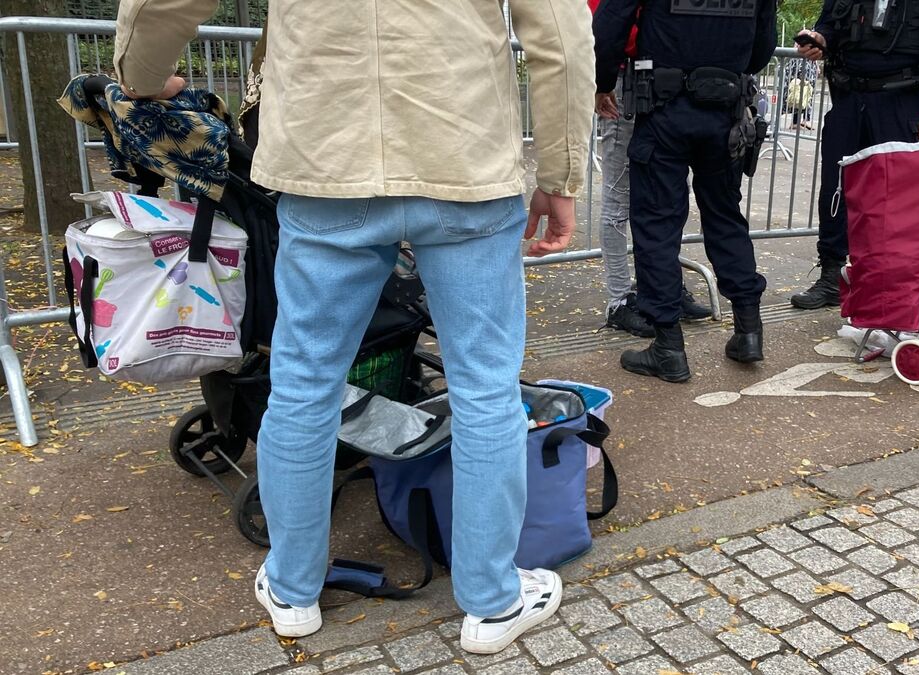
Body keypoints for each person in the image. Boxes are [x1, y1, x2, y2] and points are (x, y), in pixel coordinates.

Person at [114, 0, 594, 655]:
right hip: (463, 152)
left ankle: (292, 590)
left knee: (305, 379)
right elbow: (561, 34)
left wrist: (139, 75)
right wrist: (561, 173)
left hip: (324, 154)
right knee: (484, 380)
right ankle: (491, 600)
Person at [594, 0, 777, 383]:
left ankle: (668, 348)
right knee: (726, 216)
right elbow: (762, 48)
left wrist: (603, 82)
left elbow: (610, 24)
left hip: (664, 110)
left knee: (657, 226)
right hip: (725, 113)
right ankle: (748, 331)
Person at [789, 0, 919, 311]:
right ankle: (832, 276)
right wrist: (819, 41)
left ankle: (893, 288)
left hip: (902, 101)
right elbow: (829, 28)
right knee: (835, 191)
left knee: (898, 201)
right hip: (849, 100)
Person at [588, 0, 711, 338]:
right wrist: (603, 81)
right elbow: (607, 23)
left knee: (665, 197)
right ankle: (619, 299)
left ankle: (663, 288)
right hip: (629, 76)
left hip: (662, 78)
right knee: (618, 197)